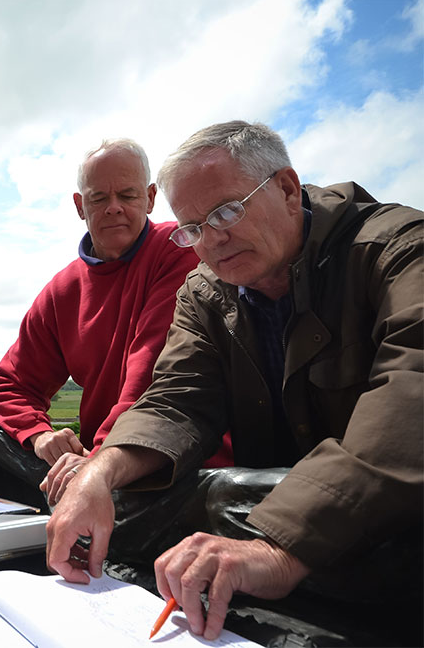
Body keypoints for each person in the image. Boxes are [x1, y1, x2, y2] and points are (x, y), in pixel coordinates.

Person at [45, 121, 422, 641]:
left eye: (226, 211)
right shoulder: (204, 292)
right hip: (284, 508)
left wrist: (279, 548)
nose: (213, 240)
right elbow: (177, 402)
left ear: (288, 189)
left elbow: (411, 397)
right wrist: (99, 473)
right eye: (193, 228)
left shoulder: (399, 251)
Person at [0, 139, 220, 485]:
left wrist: (98, 465)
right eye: (99, 198)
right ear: (80, 206)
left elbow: (151, 374)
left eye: (127, 195)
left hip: (184, 470)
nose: (113, 208)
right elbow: (12, 384)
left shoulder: (179, 249)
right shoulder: (61, 291)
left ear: (151, 198)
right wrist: (40, 436)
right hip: (102, 467)